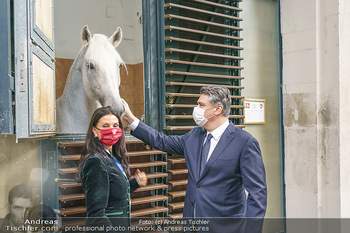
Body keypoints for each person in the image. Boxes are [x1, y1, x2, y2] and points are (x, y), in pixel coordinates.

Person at [122, 86, 267, 232]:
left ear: (217, 109)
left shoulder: (244, 142)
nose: (196, 108)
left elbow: (257, 194)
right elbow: (162, 141)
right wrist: (130, 119)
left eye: (201, 105)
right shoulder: (194, 135)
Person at [78, 106, 147, 232]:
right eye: (105, 126)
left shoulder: (111, 157)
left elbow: (112, 194)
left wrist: (135, 183)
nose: (112, 130)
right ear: (94, 131)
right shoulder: (95, 161)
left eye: (115, 125)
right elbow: (96, 214)